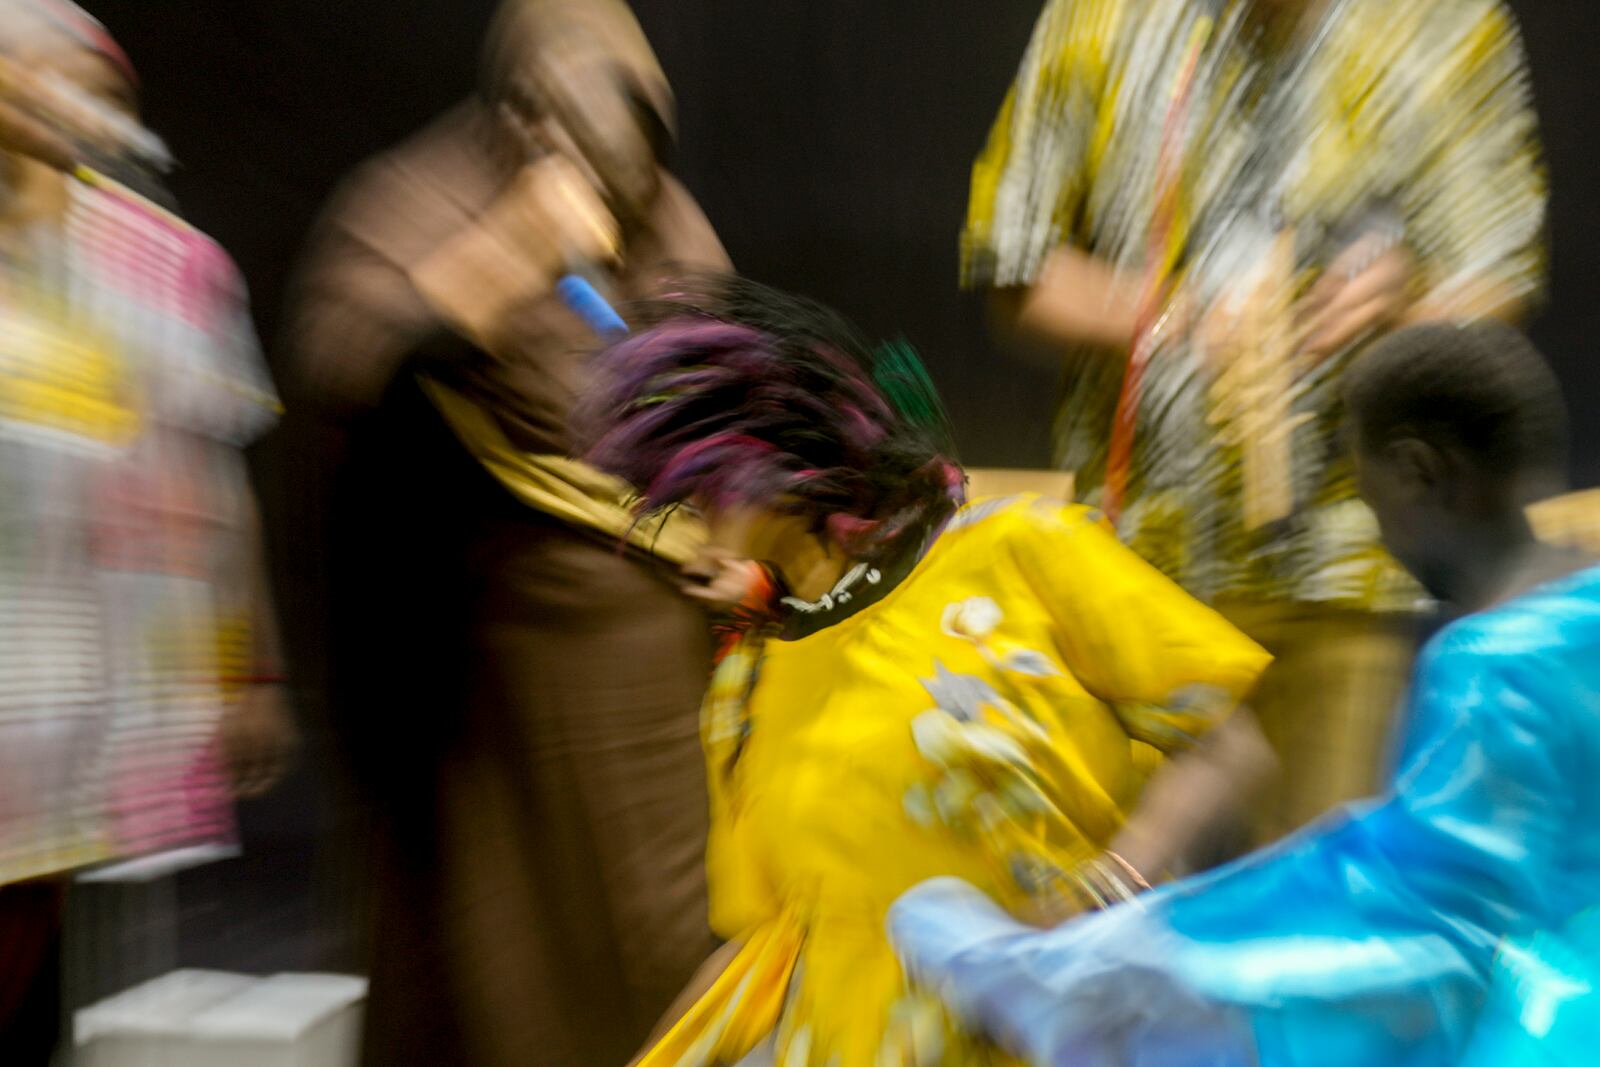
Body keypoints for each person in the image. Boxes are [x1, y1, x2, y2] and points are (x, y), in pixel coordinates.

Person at [576, 276, 1272, 1066]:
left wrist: (1096, 902)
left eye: (702, 471)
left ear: (787, 437)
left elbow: (1230, 745)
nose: (689, 503)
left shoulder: (1020, 553)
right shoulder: (746, 684)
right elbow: (767, 942)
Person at [891, 321, 1598, 1067]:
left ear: (1419, 472)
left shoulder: (1491, 662)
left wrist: (1146, 946)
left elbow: (1419, 907)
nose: (1382, 535)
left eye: (1372, 499)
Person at [965, 0, 1547, 849]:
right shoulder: (1098, 18)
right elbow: (1013, 265)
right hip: (1139, 578)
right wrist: (1169, 316)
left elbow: (1496, 283)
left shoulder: (1444, 22)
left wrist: (1402, 303)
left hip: (1349, 577)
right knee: (1135, 927)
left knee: (1316, 927)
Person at [285, 1, 729, 1062]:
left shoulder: (673, 231)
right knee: (494, 974)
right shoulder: (425, 196)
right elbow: (345, 367)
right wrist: (515, 245)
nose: (608, 174)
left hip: (652, 690)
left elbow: (723, 408)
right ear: (520, 118)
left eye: (633, 145)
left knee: (663, 954)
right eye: (571, 132)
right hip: (489, 696)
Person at [0, 2, 290, 1057]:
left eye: (81, 79)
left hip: (75, 690)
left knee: (36, 944)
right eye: (21, 67)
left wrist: (247, 668)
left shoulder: (161, 267)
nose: (51, 93)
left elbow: (214, 477)